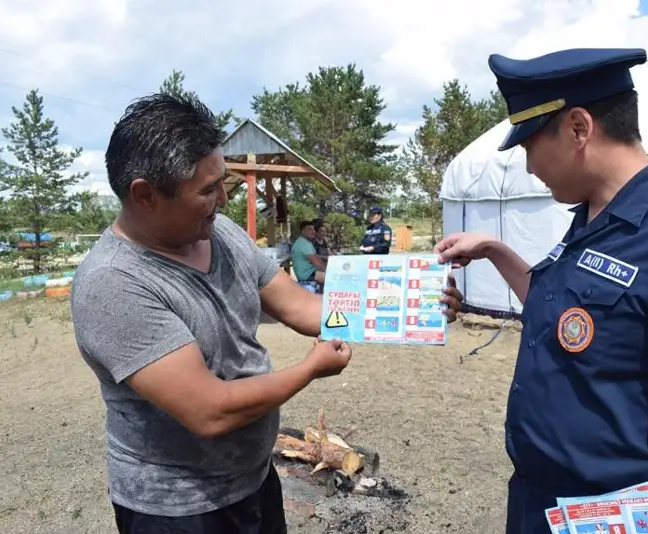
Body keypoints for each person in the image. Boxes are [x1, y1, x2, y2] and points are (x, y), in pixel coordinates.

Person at [69, 92, 464, 534]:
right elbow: (209, 410)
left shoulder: (221, 234)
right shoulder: (114, 283)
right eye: (206, 189)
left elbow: (301, 308)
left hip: (253, 481)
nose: (223, 198)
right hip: (177, 508)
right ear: (145, 195)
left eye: (223, 180)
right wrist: (309, 370)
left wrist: (416, 304)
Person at [435, 48, 648, 534]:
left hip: (618, 513)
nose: (530, 167)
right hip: (540, 501)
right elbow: (560, 309)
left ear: (579, 128)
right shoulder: (591, 215)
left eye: (529, 146)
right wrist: (496, 250)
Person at [291, 220, 326, 287]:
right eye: (310, 229)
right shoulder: (302, 243)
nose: (313, 232)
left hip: (311, 271)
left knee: (331, 275)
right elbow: (316, 262)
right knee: (332, 279)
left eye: (313, 229)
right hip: (306, 275)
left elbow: (316, 257)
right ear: (302, 231)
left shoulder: (307, 242)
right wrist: (325, 271)